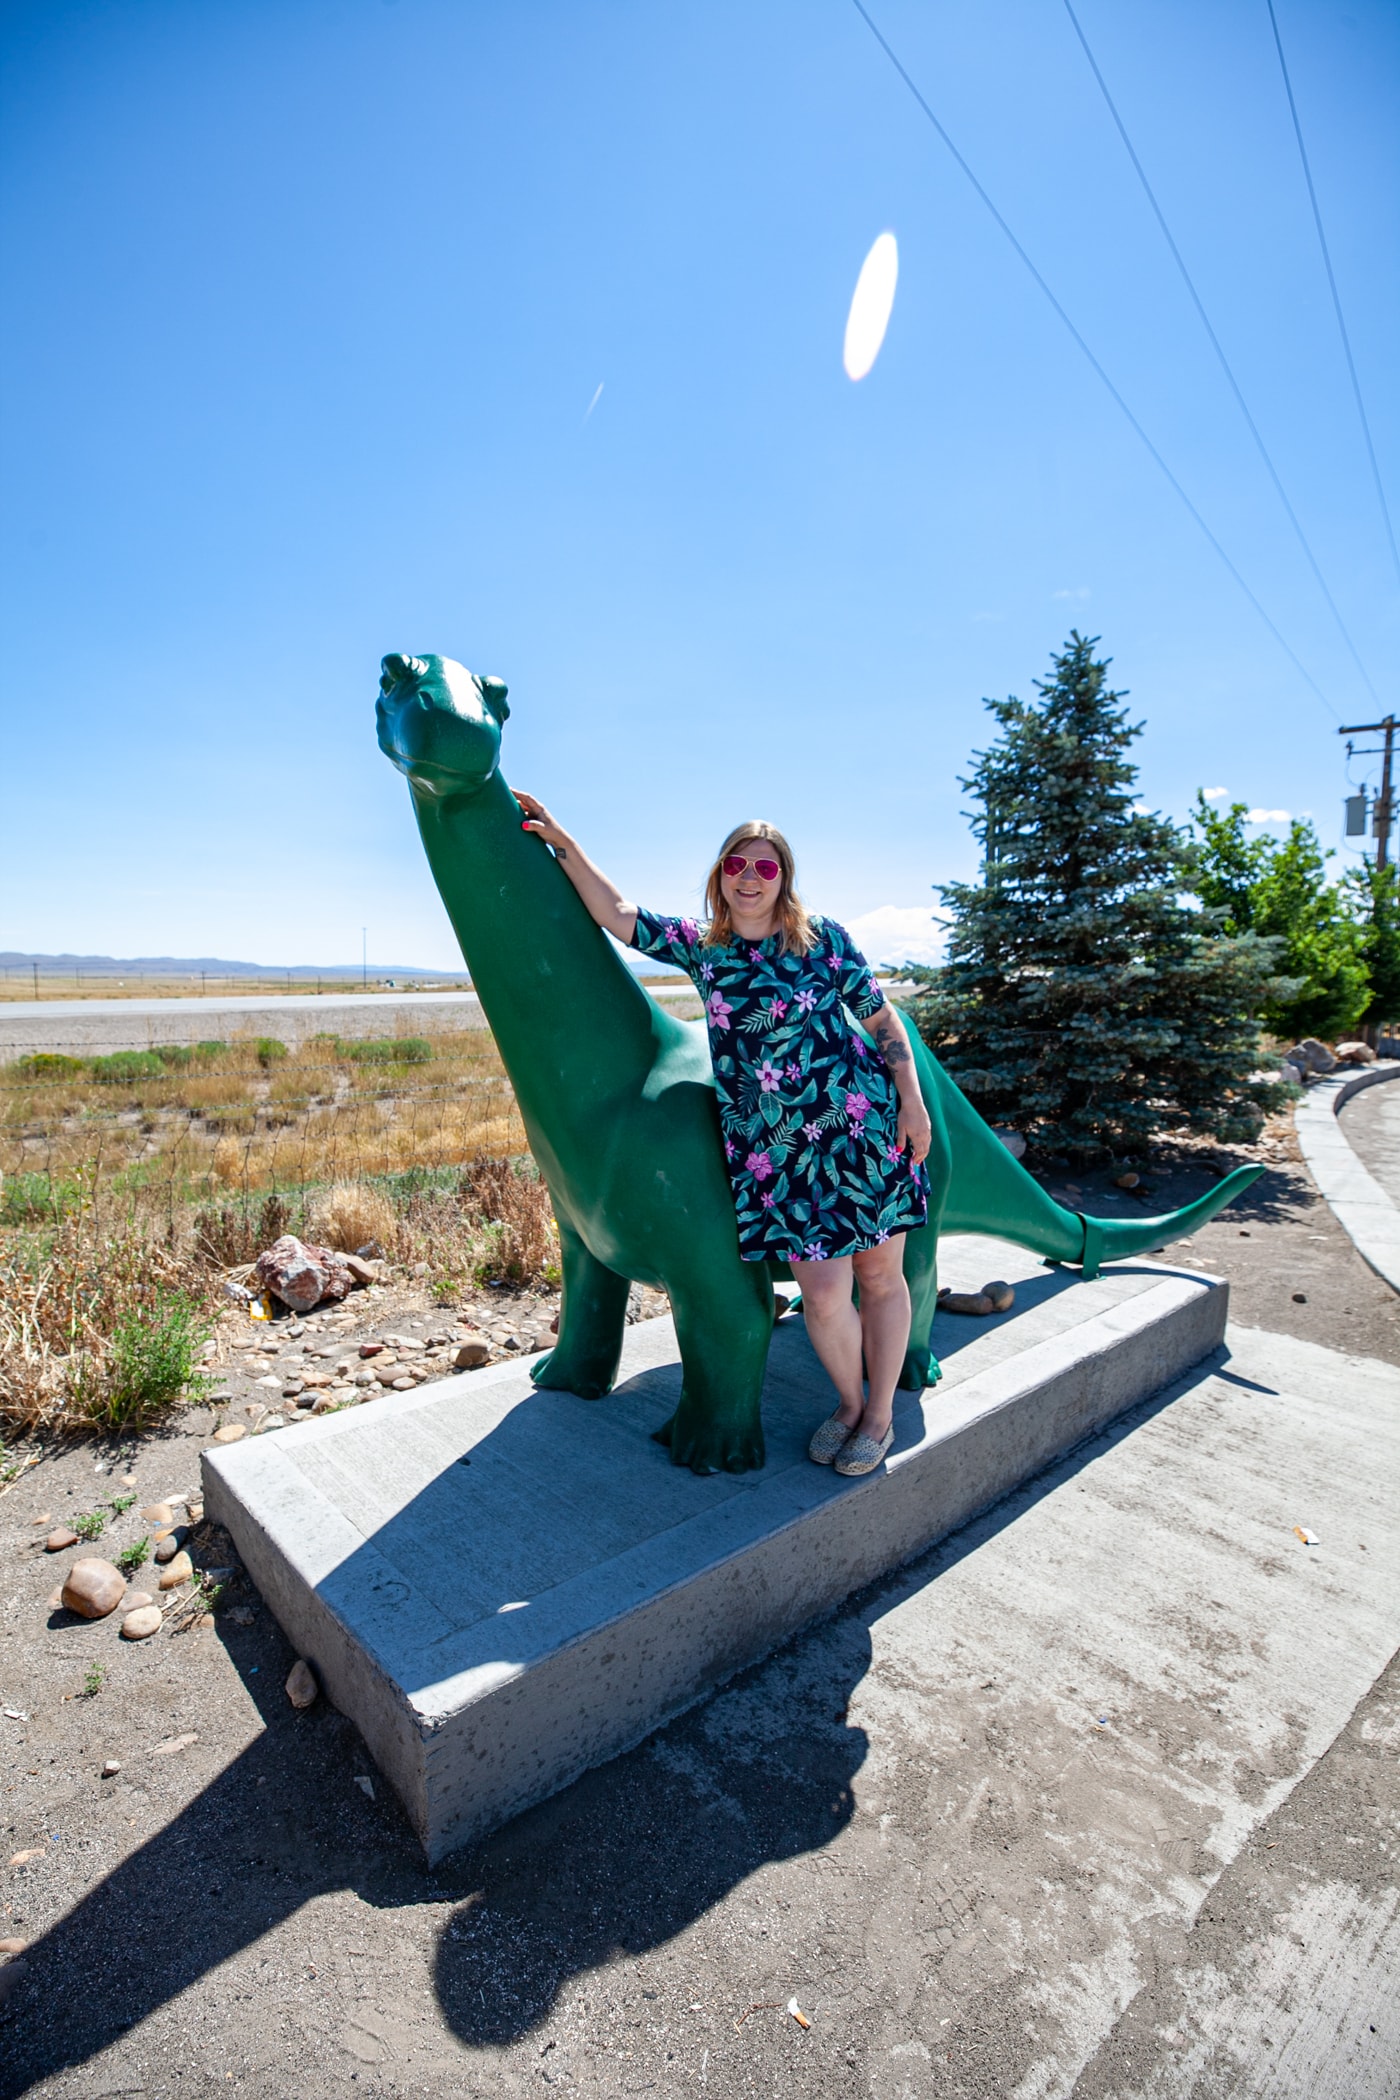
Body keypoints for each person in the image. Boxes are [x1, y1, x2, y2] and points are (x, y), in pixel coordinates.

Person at [515, 796, 933, 1476]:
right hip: (780, 1159)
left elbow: (883, 1023)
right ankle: (850, 1402)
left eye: (764, 866)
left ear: (783, 877)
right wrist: (561, 840)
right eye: (736, 863)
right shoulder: (705, 951)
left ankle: (877, 1417)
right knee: (824, 1296)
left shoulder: (823, 938)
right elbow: (619, 915)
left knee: (879, 1279)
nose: (749, 876)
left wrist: (912, 1106)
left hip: (862, 1132)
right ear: (720, 876)